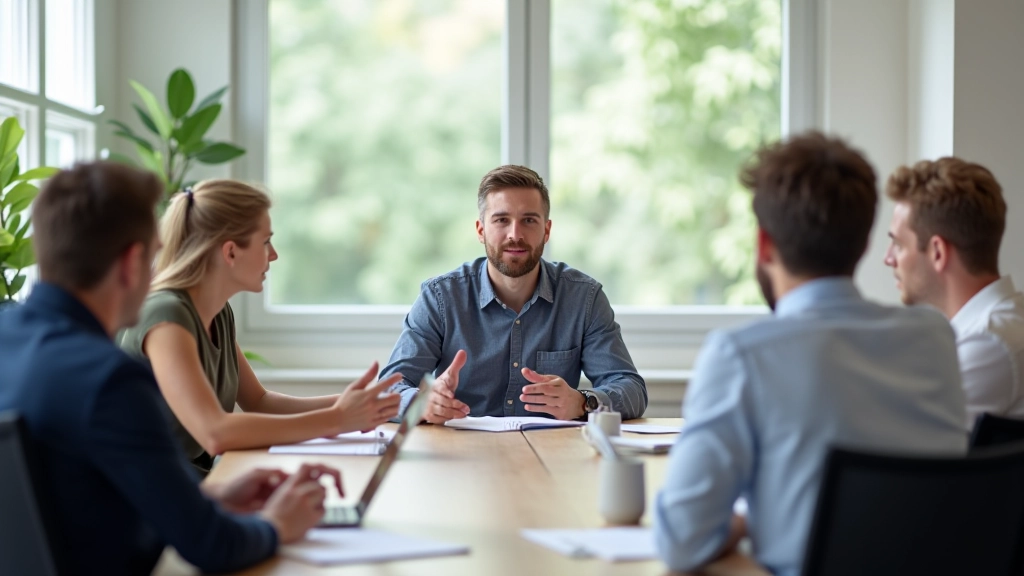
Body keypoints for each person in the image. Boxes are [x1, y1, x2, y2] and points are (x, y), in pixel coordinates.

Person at [0, 162, 337, 575]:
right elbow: (211, 545)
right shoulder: (111, 382)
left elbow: (77, 495)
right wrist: (277, 524)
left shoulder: (9, 337)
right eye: (156, 255)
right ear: (132, 263)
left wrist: (207, 500)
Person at [654, 133, 967, 576]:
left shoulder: (741, 356)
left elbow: (681, 541)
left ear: (764, 246)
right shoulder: (934, 338)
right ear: (862, 246)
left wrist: (746, 523)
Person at [118, 180, 401, 475]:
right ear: (230, 252)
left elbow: (259, 401)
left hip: (195, 486)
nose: (274, 254)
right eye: (265, 242)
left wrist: (363, 404)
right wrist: (338, 420)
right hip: (150, 502)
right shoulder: (166, 315)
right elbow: (215, 433)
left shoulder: (218, 313)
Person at [380, 165, 647, 424]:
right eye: (501, 220)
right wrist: (422, 403)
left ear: (547, 230)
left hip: (552, 456)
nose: (515, 234)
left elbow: (631, 389)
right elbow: (386, 391)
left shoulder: (584, 298)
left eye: (529, 220)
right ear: (481, 230)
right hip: (460, 457)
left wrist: (582, 402)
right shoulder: (440, 298)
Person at [883, 157, 1024, 428]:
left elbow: (903, 437)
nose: (888, 259)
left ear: (937, 252)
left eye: (898, 245)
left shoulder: (991, 344)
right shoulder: (998, 326)